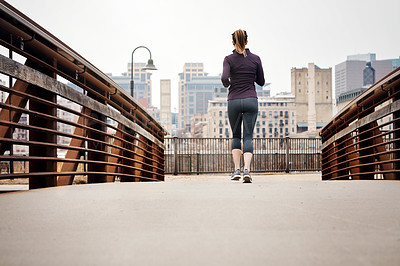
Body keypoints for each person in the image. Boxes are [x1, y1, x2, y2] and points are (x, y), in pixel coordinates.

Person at [221, 29, 265, 183]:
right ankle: (247, 170)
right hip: (250, 99)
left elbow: (224, 78)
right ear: (247, 42)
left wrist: (229, 84)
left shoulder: (228, 59)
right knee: (247, 136)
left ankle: (236, 170)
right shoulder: (256, 59)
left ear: (233, 42)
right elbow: (261, 81)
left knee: (236, 135)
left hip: (233, 100)